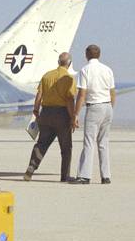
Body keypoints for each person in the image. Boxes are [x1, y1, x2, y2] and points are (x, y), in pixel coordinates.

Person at [24, 52, 77, 182]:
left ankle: (31, 168)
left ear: (58, 62)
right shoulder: (69, 78)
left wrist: (36, 110)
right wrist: (73, 117)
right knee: (66, 147)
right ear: (69, 64)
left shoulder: (47, 76)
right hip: (62, 114)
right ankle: (65, 176)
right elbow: (70, 100)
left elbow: (39, 95)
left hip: (46, 113)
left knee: (41, 143)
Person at [71, 44, 115, 184]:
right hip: (107, 106)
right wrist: (110, 108)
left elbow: (82, 94)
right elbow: (112, 92)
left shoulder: (85, 70)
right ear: (99, 54)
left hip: (94, 106)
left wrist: (75, 114)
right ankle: (105, 176)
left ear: (86, 55)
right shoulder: (108, 70)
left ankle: (85, 176)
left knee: (89, 142)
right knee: (103, 143)